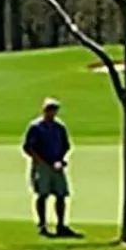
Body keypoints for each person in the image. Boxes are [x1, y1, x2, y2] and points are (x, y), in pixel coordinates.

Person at [23, 98, 79, 238]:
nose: (52, 112)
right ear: (44, 110)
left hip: (57, 165)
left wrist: (60, 160)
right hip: (42, 166)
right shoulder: (36, 127)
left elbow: (66, 145)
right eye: (49, 109)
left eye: (54, 109)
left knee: (61, 194)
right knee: (42, 194)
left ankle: (61, 225)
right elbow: (29, 147)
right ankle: (42, 225)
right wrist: (42, 161)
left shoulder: (59, 127)